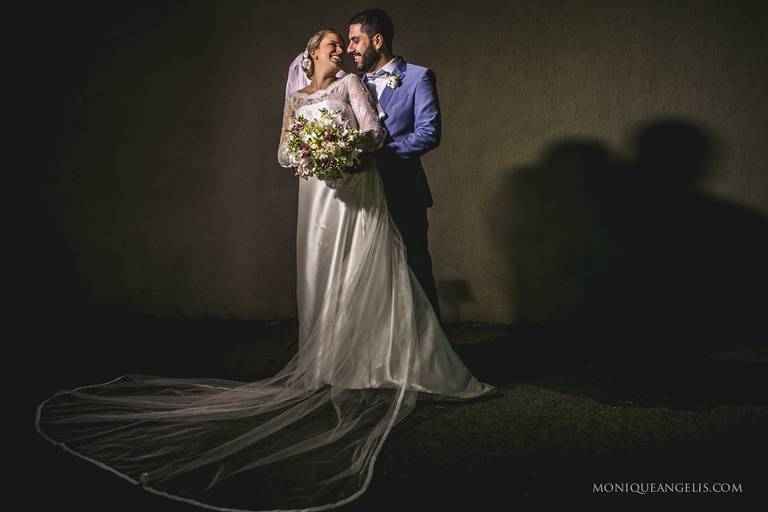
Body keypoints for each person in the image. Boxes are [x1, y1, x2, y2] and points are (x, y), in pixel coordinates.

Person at [34, 28, 495, 512]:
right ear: (311, 54)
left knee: (371, 265)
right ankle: (329, 357)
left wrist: (340, 146)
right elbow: (282, 150)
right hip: (316, 194)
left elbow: (376, 133)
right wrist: (310, 152)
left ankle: (381, 356)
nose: (340, 52)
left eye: (344, 44)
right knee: (322, 272)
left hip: (355, 187)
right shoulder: (298, 94)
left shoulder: (351, 85)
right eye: (332, 46)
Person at [348, 9, 443, 321]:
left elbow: (428, 134)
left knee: (414, 268)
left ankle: (431, 356)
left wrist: (380, 156)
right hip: (361, 196)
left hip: (404, 190)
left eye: (355, 40)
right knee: (369, 277)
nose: (350, 49)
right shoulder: (350, 83)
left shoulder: (418, 77)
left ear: (377, 40)